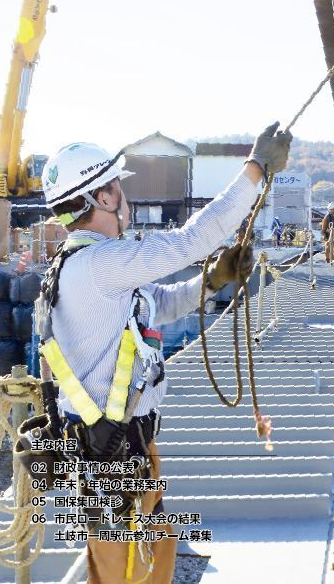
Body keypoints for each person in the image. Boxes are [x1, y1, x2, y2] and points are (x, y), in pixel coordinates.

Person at [37, 122, 291, 584]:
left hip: (125, 447)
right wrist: (256, 169)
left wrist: (212, 280)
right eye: (117, 186)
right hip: (113, 455)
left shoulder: (94, 265)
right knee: (124, 572)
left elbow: (161, 303)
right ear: (104, 198)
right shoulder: (99, 264)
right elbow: (192, 240)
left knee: (156, 551)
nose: (123, 196)